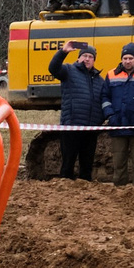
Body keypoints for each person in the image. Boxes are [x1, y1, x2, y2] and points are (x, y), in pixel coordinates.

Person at [47, 41, 107, 180]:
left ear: (94, 60)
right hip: (71, 127)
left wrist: (99, 121)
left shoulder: (99, 80)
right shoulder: (68, 71)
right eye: (84, 55)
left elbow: (103, 101)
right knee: (68, 164)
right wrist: (63, 52)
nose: (87, 59)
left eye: (90, 56)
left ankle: (85, 196)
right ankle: (65, 193)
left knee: (87, 166)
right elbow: (53, 68)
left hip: (91, 129)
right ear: (79, 58)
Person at [103, 42, 134, 148]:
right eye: (125, 58)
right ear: (121, 59)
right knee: (118, 163)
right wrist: (110, 115)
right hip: (117, 127)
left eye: (130, 58)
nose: (127, 61)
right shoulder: (111, 75)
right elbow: (105, 96)